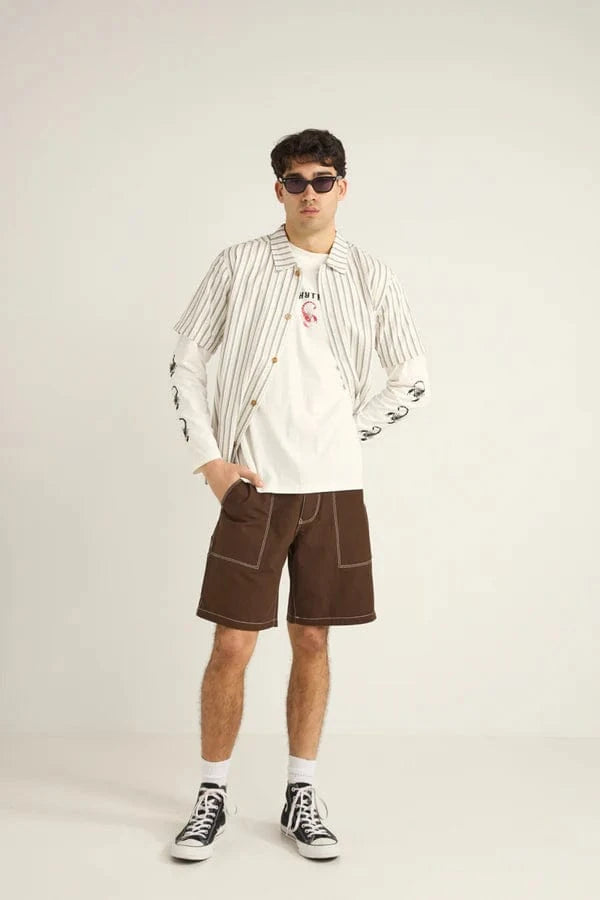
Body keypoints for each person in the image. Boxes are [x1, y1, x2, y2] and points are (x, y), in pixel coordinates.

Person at [168, 128, 431, 862]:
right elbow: (186, 360)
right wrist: (211, 462)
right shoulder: (238, 264)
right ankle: (212, 794)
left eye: (322, 180)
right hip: (252, 488)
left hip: (335, 491)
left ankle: (300, 794)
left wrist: (345, 432)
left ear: (343, 187)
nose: (308, 192)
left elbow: (412, 377)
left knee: (313, 638)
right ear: (278, 189)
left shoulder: (371, 275)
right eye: (295, 181)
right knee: (232, 643)